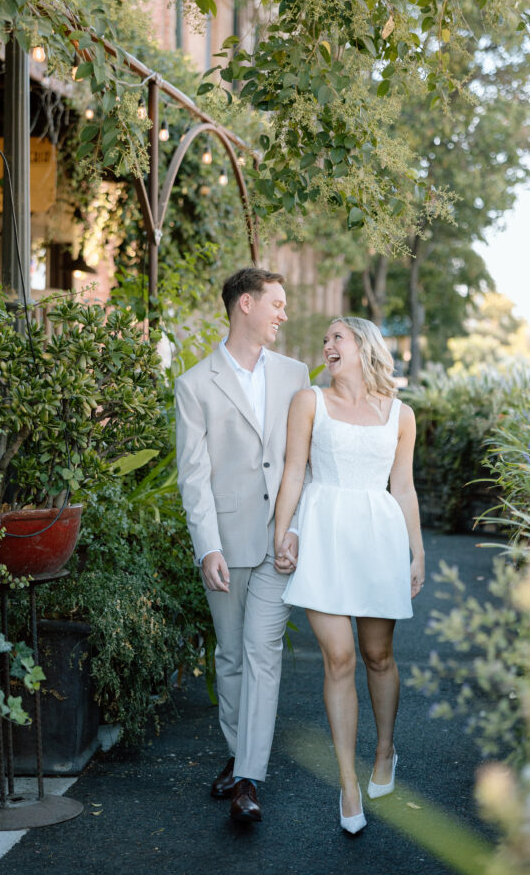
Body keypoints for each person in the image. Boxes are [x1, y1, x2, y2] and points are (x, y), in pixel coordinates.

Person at [274, 316, 424, 834]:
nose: (327, 345)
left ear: (363, 346)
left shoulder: (400, 414)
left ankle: (385, 749)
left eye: (337, 337)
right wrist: (283, 530)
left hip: (379, 540)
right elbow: (295, 470)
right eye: (326, 340)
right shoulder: (308, 402)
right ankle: (348, 784)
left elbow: (402, 487)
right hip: (323, 538)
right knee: (338, 658)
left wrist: (417, 553)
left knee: (377, 656)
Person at [175, 268, 310, 823]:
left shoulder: (297, 374)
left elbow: (306, 465)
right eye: (276, 304)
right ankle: (239, 754)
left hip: (277, 541)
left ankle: (248, 779)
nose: (283, 314)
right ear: (246, 305)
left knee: (262, 654)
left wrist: (294, 528)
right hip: (226, 544)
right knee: (230, 656)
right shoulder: (195, 383)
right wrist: (207, 546)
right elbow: (193, 475)